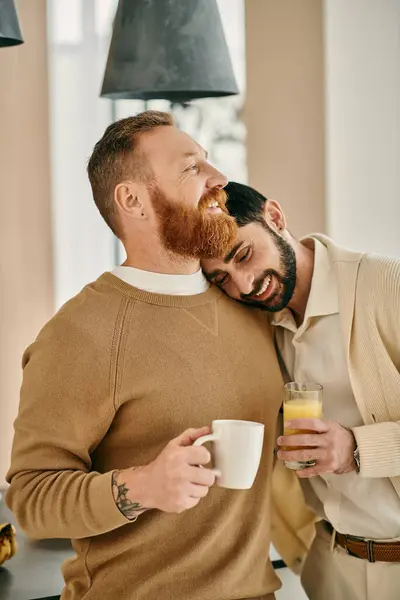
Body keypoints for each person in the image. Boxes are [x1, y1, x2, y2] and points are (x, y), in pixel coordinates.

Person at [6, 113, 285, 600]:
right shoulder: (78, 335)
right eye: (190, 167)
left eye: (208, 161)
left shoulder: (247, 306)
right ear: (132, 200)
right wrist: (140, 487)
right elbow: (31, 499)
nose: (218, 179)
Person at [201, 181, 400, 600]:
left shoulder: (387, 283)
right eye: (223, 278)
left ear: (275, 216)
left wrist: (356, 449)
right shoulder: (263, 327)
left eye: (243, 254)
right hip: (332, 570)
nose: (245, 284)